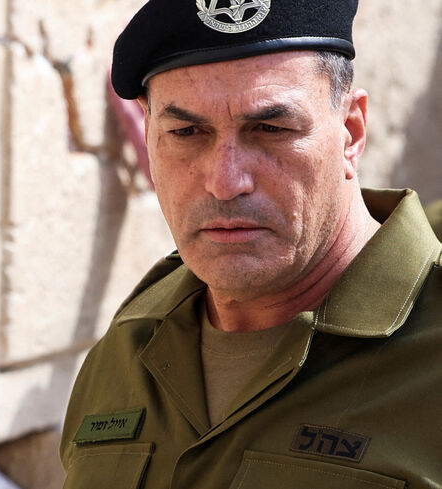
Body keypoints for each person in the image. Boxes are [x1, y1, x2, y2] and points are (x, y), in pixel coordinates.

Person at [59, 1, 442, 487]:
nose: (225, 181)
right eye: (186, 132)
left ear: (351, 132)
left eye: (270, 129)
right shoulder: (129, 346)